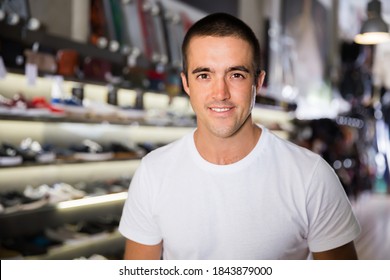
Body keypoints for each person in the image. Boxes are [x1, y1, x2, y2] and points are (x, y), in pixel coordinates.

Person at [119, 12, 361, 260]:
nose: (220, 93)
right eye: (204, 75)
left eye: (236, 75)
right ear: (186, 83)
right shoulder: (153, 172)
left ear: (258, 81)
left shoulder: (311, 176)